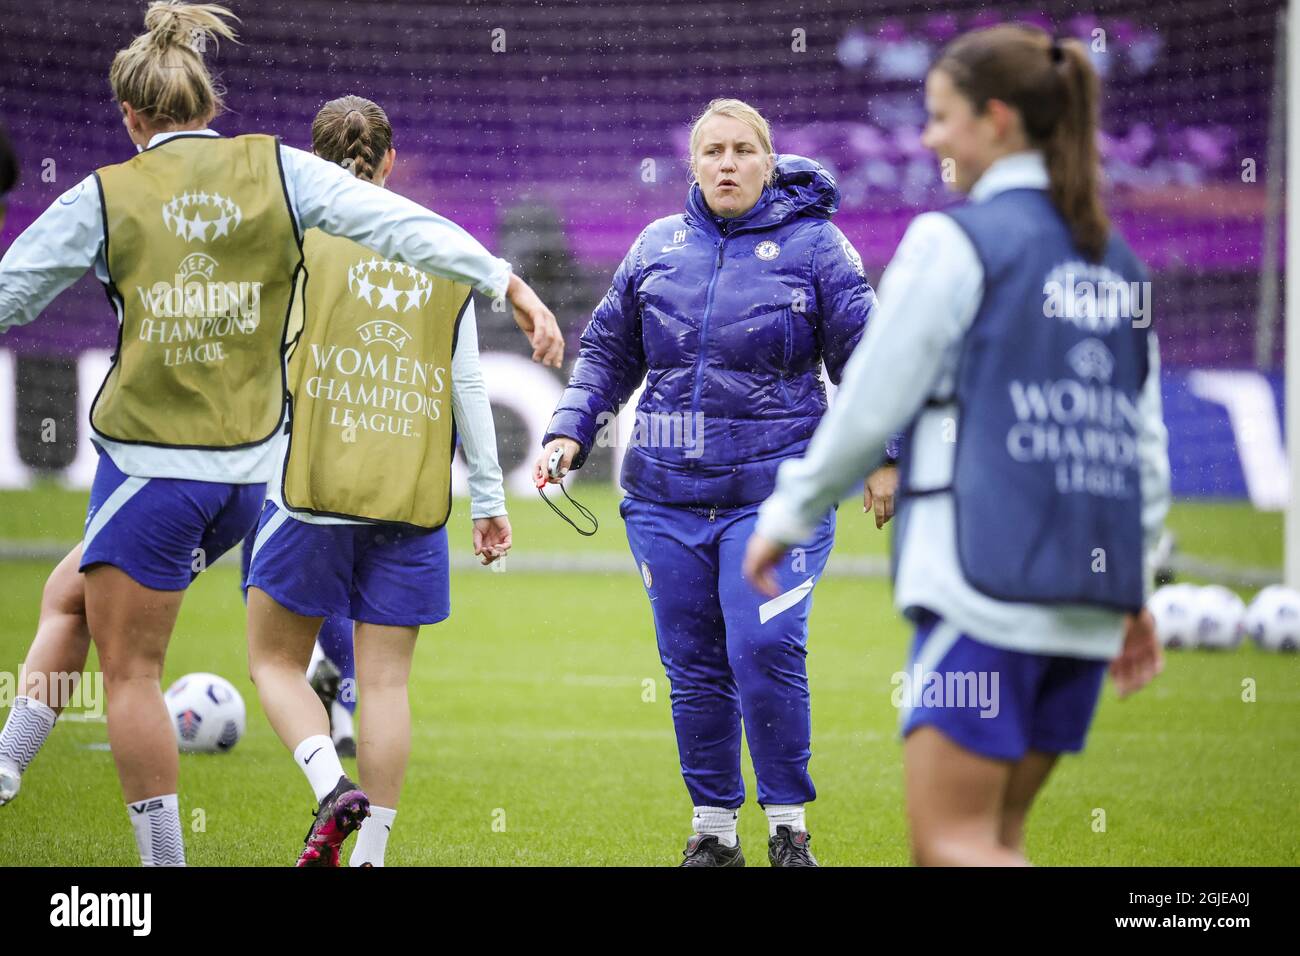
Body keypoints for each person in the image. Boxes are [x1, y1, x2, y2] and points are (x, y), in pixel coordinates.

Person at [0, 2, 560, 866]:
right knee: (70, 597)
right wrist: (504, 281)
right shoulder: (278, 171)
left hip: (157, 464)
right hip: (254, 476)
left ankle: (164, 866)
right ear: (211, 107)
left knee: (135, 671)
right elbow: (398, 229)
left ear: (131, 116)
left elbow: (12, 293)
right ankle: (6, 769)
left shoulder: (104, 195)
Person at [744, 24, 1170, 866]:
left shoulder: (955, 243)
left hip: (985, 585)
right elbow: (1142, 448)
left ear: (997, 120)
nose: (929, 137)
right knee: (1000, 838)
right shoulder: (1115, 263)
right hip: (1088, 604)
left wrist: (790, 510)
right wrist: (1135, 584)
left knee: (953, 845)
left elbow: (872, 397)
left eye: (941, 117)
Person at [535, 98, 896, 867]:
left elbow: (867, 356)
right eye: (712, 152)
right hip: (663, 500)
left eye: (742, 151)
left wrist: (884, 454)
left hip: (777, 500)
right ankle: (714, 833)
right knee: (693, 666)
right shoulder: (656, 246)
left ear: (769, 163)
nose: (727, 164)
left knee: (762, 651)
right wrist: (570, 426)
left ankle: (790, 830)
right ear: (692, 165)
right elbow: (605, 353)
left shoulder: (818, 247)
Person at [245, 95, 517, 867]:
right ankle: (371, 859)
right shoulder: (443, 248)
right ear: (390, 162)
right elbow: (468, 383)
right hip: (414, 495)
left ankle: (332, 788)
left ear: (310, 159)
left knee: (273, 662)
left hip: (312, 489)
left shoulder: (296, 242)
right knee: (387, 684)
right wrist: (490, 500)